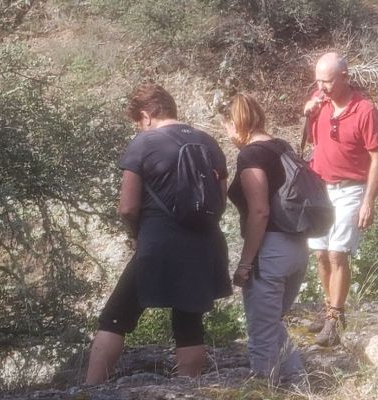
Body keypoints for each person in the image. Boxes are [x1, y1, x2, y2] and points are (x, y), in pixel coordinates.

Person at [86, 82, 231, 385]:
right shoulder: (208, 142)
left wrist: (138, 234)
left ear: (147, 114)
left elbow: (127, 206)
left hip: (158, 243)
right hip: (205, 245)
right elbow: (220, 200)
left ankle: (91, 389)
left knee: (114, 318)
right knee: (189, 323)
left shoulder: (144, 143)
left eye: (138, 123)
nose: (139, 129)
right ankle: (188, 390)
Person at [220, 93, 308, 386]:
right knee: (272, 324)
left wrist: (245, 264)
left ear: (236, 122)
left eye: (227, 127)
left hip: (270, 252)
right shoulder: (282, 147)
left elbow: (259, 211)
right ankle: (298, 384)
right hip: (297, 247)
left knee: (260, 333)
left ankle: (263, 390)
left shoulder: (250, 155)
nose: (228, 134)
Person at [302, 52, 378, 346]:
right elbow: (314, 142)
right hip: (320, 188)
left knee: (338, 253)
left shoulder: (365, 109)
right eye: (319, 81)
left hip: (350, 189)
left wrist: (369, 201)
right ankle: (330, 311)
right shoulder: (320, 101)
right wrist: (309, 110)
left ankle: (335, 318)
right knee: (321, 254)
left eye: (327, 81)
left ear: (345, 77)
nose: (321, 86)